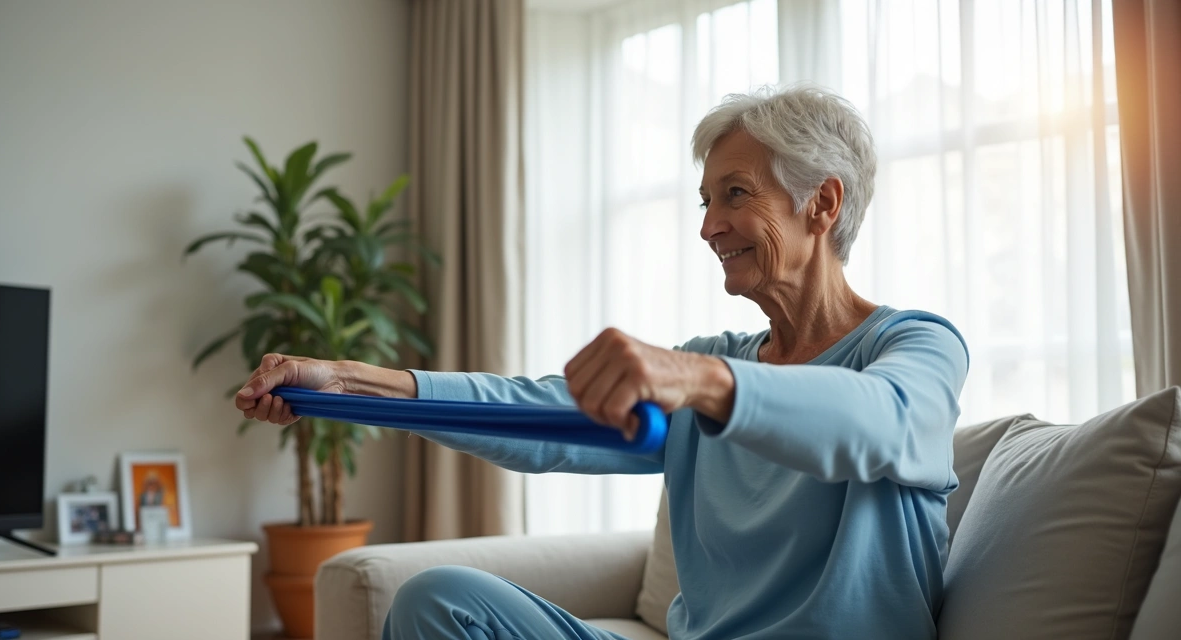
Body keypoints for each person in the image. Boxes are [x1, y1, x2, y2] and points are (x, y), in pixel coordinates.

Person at [235, 84, 968, 640]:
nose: (709, 226)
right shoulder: (717, 362)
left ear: (823, 204)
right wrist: (347, 379)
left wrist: (703, 383)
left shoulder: (914, 346)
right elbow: (539, 414)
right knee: (438, 600)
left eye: (735, 195)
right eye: (706, 200)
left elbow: (884, 424)